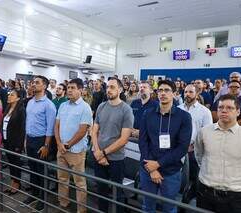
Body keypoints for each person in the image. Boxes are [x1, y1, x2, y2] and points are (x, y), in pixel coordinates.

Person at [195, 94, 241, 213]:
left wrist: (237, 181)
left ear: (238, 111)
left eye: (229, 108)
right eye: (220, 107)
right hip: (206, 193)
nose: (224, 110)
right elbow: (199, 156)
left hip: (235, 197)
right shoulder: (204, 133)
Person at [139, 80, 192, 213]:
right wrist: (151, 169)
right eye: (160, 90)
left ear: (174, 94)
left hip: (170, 172)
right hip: (147, 168)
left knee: (169, 208)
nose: (162, 93)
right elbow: (143, 142)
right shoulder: (148, 114)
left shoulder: (184, 117)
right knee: (147, 206)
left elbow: (182, 148)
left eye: (167, 90)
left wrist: (157, 164)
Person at [92, 77, 134, 213]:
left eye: (112, 87)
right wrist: (98, 152)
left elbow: (124, 139)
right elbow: (94, 131)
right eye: (108, 87)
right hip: (99, 156)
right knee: (101, 191)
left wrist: (103, 153)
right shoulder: (101, 106)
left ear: (120, 90)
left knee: (117, 193)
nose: (109, 90)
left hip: (116, 159)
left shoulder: (126, 110)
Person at [55, 78, 92, 213]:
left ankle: (81, 210)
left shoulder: (85, 108)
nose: (69, 90)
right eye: (68, 87)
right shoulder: (63, 105)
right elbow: (57, 124)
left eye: (73, 88)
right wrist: (59, 143)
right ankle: (63, 203)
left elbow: (82, 130)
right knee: (62, 179)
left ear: (80, 90)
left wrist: (68, 144)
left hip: (76, 151)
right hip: (61, 149)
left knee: (79, 183)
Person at [22, 75, 56, 211]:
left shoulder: (49, 105)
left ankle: (43, 199)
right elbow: (28, 122)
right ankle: (34, 193)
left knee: (42, 170)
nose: (33, 84)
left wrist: (46, 145)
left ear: (44, 86)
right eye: (33, 82)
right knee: (32, 168)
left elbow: (50, 128)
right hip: (30, 139)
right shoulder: (30, 102)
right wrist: (25, 140)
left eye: (37, 83)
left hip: (41, 140)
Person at [178, 84, 212, 202]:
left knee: (195, 176)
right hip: (178, 149)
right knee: (180, 176)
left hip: (194, 150)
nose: (187, 94)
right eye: (185, 92)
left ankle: (194, 200)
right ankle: (181, 196)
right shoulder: (178, 109)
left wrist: (194, 146)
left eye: (191, 92)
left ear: (197, 94)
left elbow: (207, 133)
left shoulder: (204, 111)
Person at [2, 90, 26, 195]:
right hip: (7, 140)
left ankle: (17, 183)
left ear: (18, 98)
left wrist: (19, 145)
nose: (9, 96)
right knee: (10, 162)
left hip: (15, 142)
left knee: (16, 163)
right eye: (9, 94)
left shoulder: (21, 110)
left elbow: (22, 129)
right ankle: (12, 181)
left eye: (12, 95)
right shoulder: (8, 108)